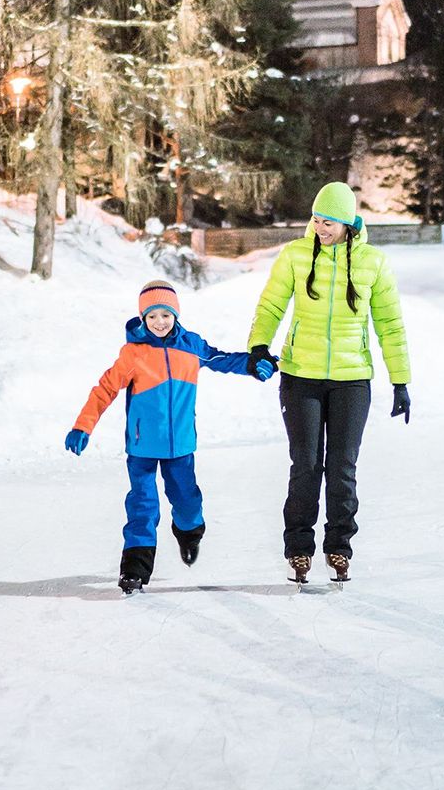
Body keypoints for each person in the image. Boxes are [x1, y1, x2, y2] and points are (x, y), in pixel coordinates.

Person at [247, 182, 411, 584]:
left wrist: (400, 381)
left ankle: (339, 548)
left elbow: (389, 324)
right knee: (305, 465)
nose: (320, 228)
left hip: (352, 380)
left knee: (341, 468)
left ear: (348, 222)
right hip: (300, 375)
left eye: (329, 222)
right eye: (316, 220)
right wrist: (258, 345)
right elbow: (271, 303)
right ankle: (299, 550)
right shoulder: (295, 255)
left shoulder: (373, 262)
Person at [65, 279, 275, 592]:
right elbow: (105, 389)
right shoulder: (133, 354)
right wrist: (83, 425)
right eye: (152, 316)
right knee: (142, 505)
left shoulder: (191, 346)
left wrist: (253, 363)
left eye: (165, 315)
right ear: (142, 319)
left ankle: (190, 534)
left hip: (181, 446)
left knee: (187, 501)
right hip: (142, 447)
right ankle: (134, 569)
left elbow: (222, 359)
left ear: (175, 315)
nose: (159, 322)